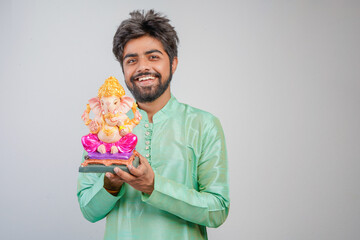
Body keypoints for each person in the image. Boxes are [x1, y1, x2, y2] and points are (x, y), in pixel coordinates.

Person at [77, 9, 230, 240]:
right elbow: (88, 210)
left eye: (153, 57)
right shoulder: (105, 130)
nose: (142, 67)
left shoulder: (203, 125)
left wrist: (153, 186)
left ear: (174, 63)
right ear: (124, 69)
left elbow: (217, 210)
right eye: (131, 60)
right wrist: (111, 185)